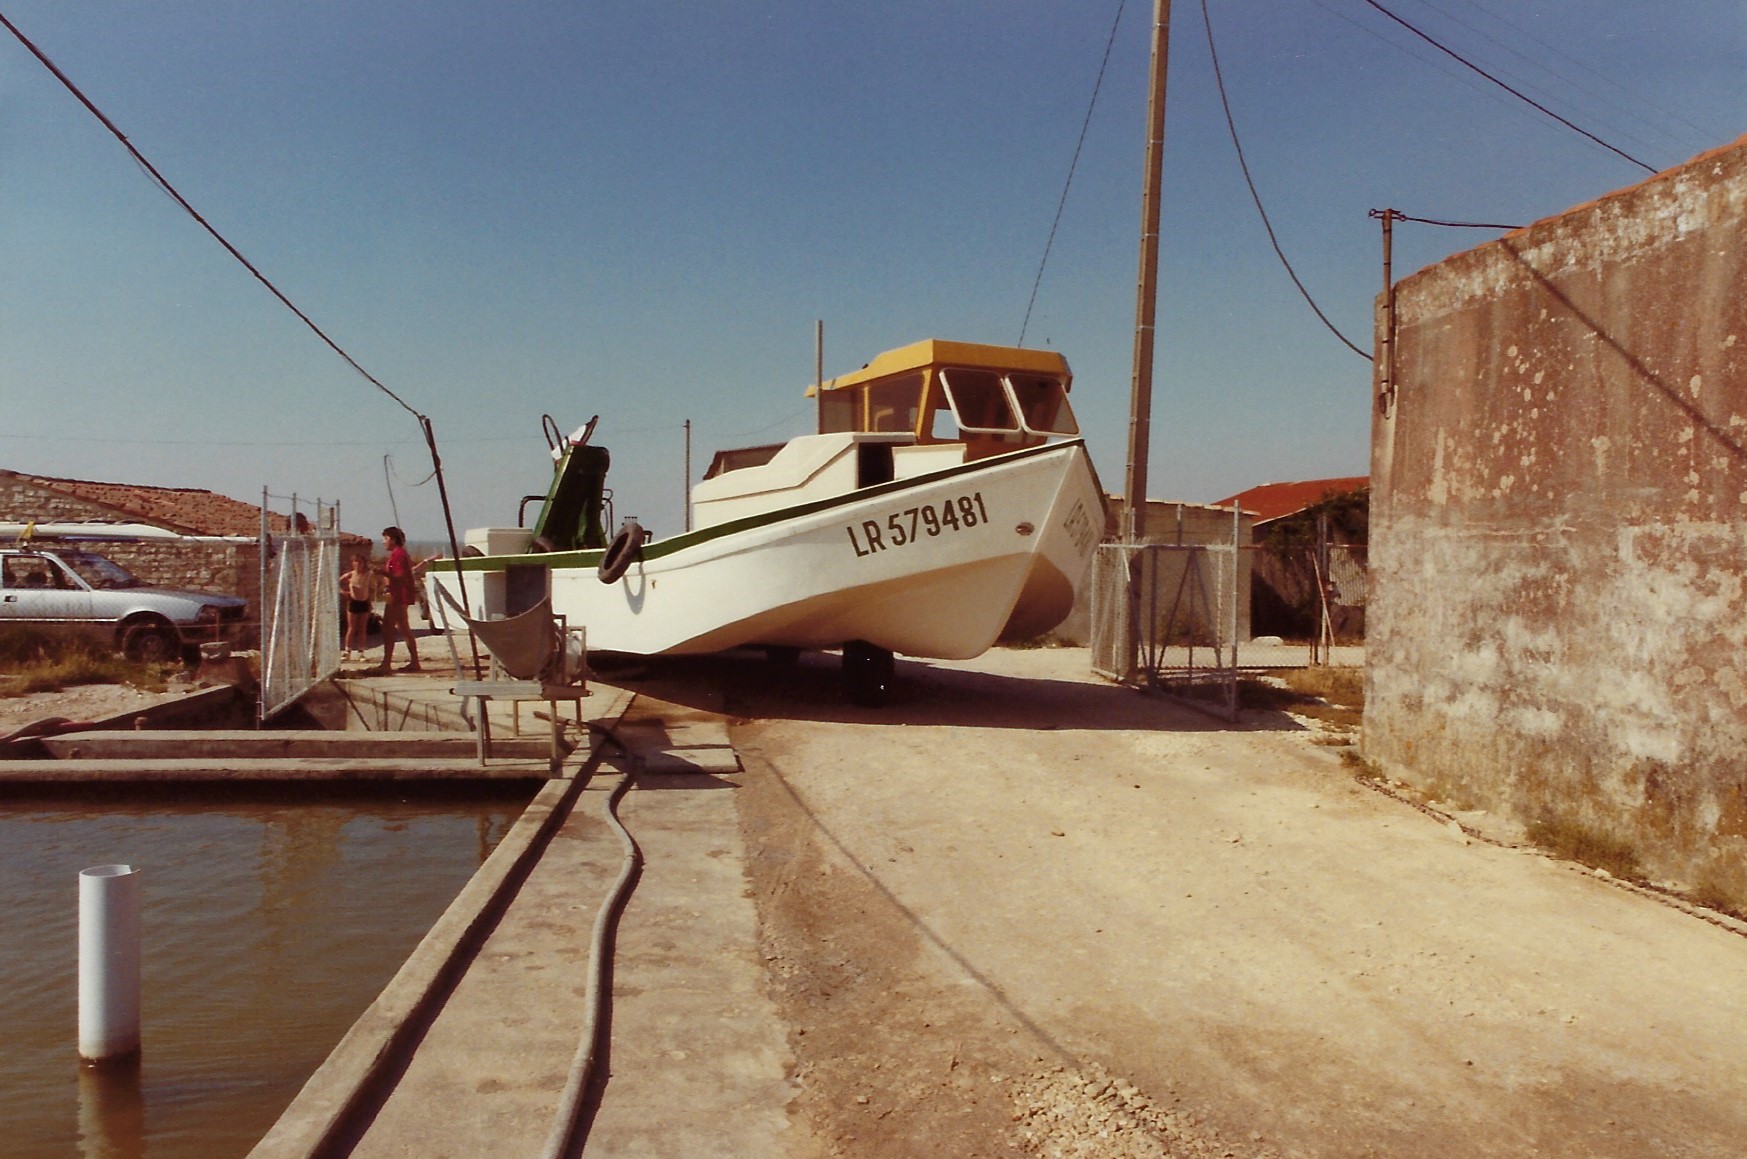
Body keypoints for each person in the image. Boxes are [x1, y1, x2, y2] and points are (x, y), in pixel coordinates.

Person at [373, 527, 426, 673]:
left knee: (388, 628)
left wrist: (383, 572)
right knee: (404, 628)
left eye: (386, 538)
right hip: (399, 594)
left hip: (398, 596)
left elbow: (400, 576)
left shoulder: (398, 555)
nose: (384, 542)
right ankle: (414, 662)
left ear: (393, 539)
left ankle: (386, 663)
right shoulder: (399, 554)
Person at [341, 554, 374, 662]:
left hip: (364, 602)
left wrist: (370, 602)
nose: (357, 564)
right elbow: (337, 582)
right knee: (351, 628)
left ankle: (361, 652)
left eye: (360, 562)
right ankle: (347, 651)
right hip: (353, 602)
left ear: (364, 564)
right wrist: (344, 592)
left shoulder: (368, 575)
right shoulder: (350, 575)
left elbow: (371, 589)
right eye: (355, 561)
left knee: (362, 628)